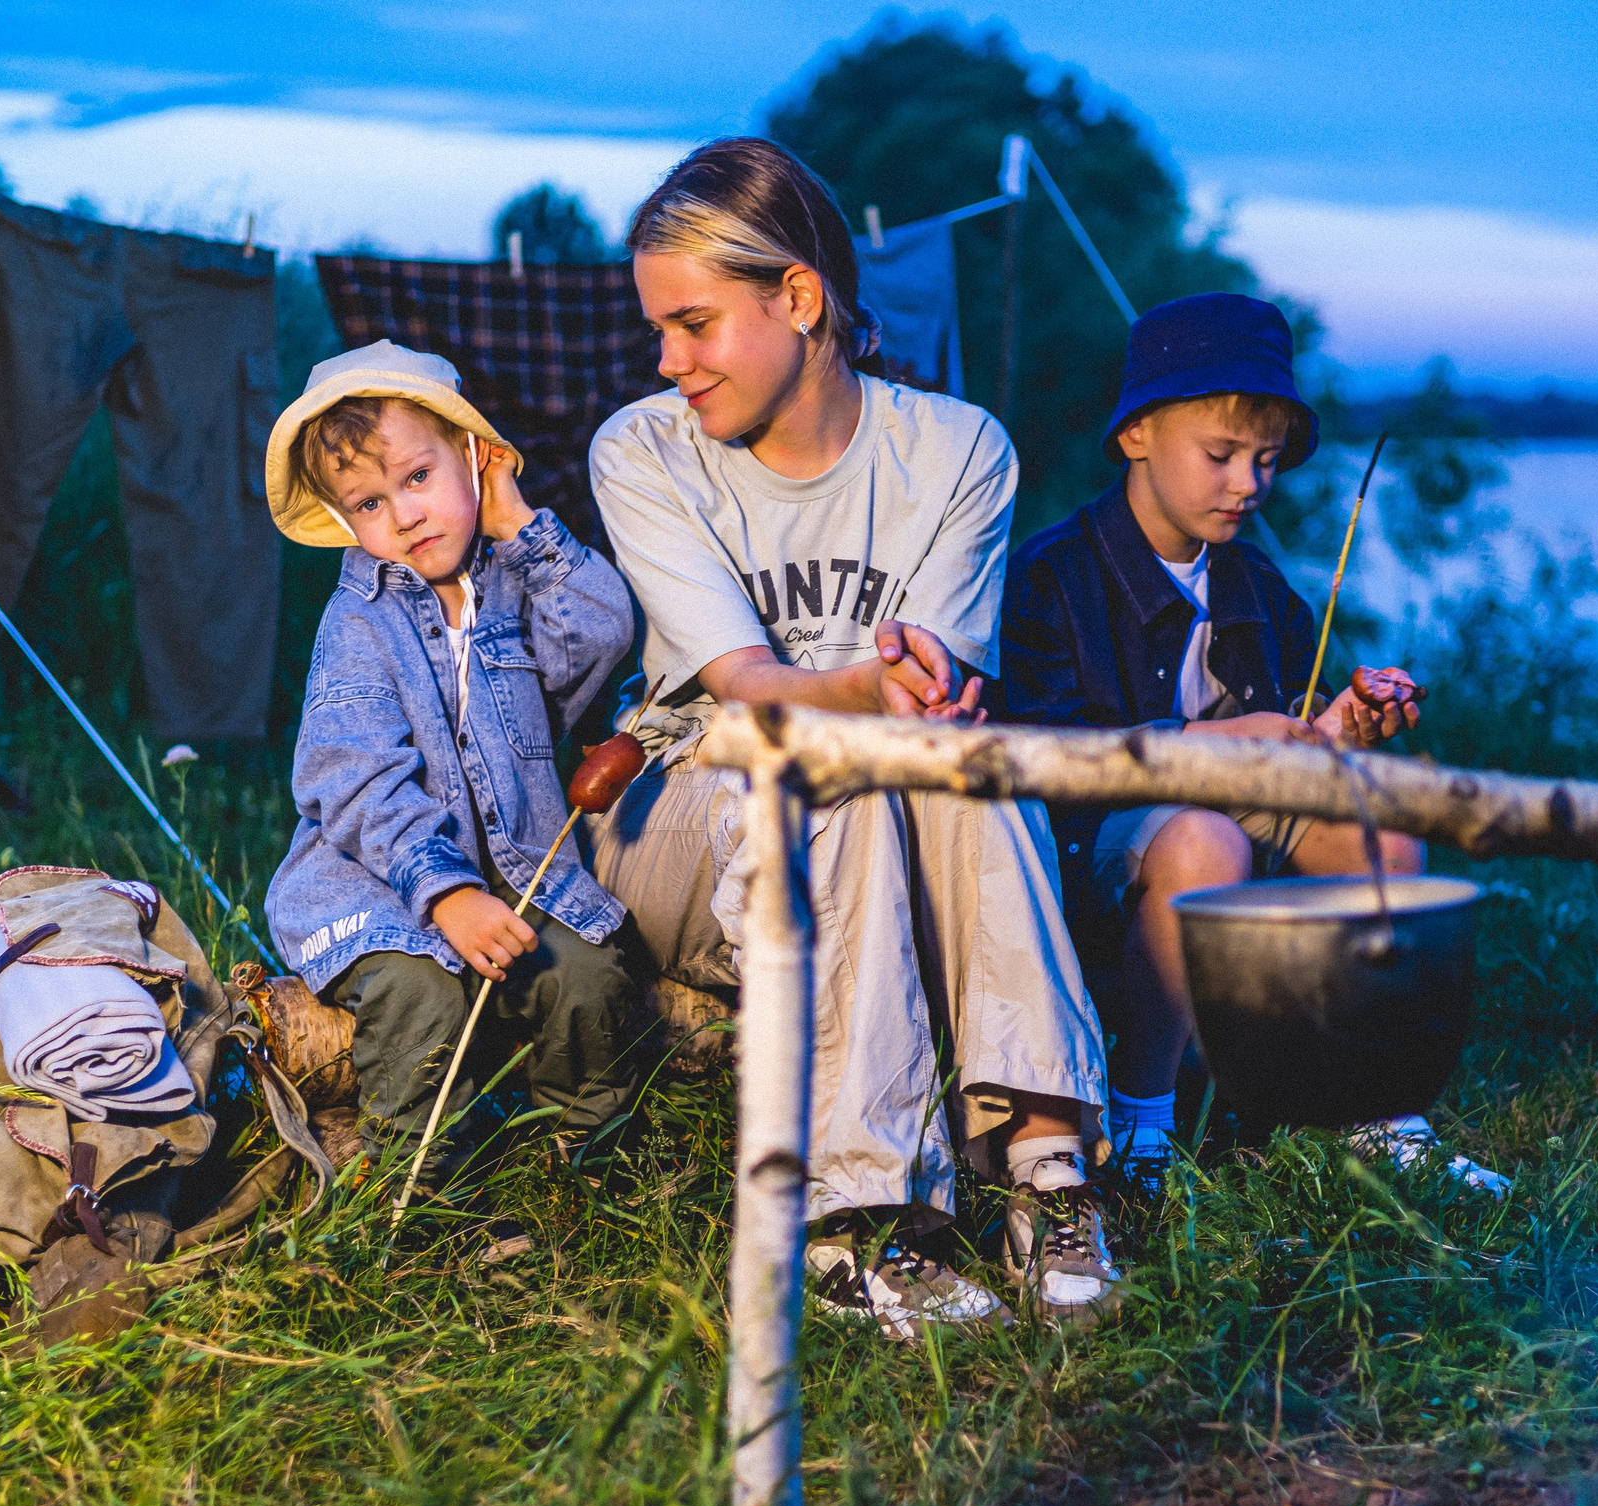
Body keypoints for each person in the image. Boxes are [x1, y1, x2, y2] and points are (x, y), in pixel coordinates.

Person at [586, 137, 1119, 1334]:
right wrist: (883, 697)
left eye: (693, 326)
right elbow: (749, 687)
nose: (667, 363)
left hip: (887, 791)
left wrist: (905, 702)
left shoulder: (958, 449)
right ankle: (856, 1221)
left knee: (958, 765)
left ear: (800, 298)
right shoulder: (642, 452)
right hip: (678, 799)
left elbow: (929, 689)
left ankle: (1049, 1170)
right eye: (659, 332)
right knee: (845, 774)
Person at [997, 293, 1507, 1195]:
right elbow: (1047, 751)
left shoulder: (1255, 582)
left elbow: (1285, 736)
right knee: (1204, 835)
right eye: (1222, 455)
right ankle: (1141, 1119)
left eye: (1266, 462)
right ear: (1137, 436)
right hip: (1095, 840)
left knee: (1381, 827)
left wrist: (1338, 727)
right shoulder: (1053, 575)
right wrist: (1209, 740)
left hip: (1231, 820)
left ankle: (1375, 1106)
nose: (1248, 485)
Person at [263, 342, 645, 1200]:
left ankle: (583, 1170)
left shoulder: (513, 587)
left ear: (475, 459)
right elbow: (356, 781)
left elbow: (602, 635)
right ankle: (425, 1188)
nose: (402, 515)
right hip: (382, 887)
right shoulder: (356, 624)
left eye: (419, 476)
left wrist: (518, 523)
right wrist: (444, 893)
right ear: (342, 517)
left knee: (588, 978)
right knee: (419, 991)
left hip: (510, 869)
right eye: (367, 501)